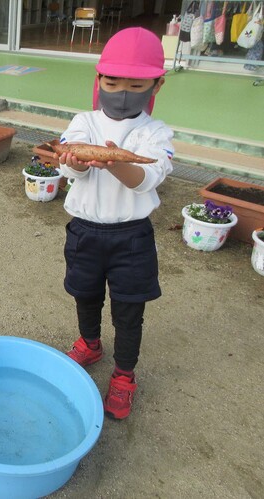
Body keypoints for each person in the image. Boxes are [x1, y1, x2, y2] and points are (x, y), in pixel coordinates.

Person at [57, 27, 174, 420]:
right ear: (99, 80)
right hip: (85, 231)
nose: (122, 90)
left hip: (132, 238)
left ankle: (124, 375)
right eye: (112, 81)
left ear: (157, 85)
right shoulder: (83, 122)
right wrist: (74, 163)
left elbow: (147, 179)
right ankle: (90, 343)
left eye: (137, 84)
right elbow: (72, 169)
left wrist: (117, 161)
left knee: (129, 309)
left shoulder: (155, 133)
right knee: (85, 294)